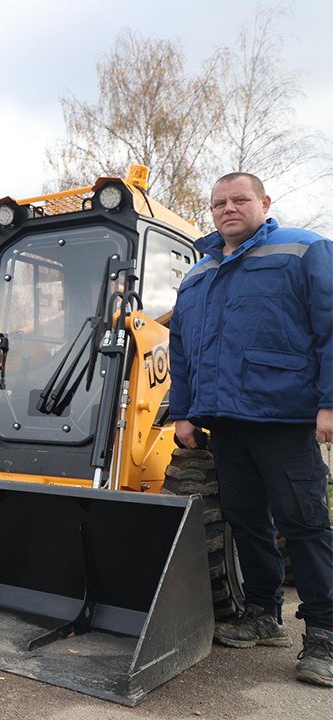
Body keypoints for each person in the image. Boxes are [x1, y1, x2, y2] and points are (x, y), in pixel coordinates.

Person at [169, 172, 333, 687]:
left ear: (264, 202)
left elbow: (330, 326)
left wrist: (330, 403)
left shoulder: (303, 251)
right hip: (225, 420)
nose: (228, 209)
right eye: (219, 203)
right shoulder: (198, 275)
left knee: (303, 522)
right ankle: (264, 613)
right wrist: (184, 412)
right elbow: (182, 351)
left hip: (283, 417)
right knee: (245, 519)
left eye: (240, 200)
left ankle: (325, 634)